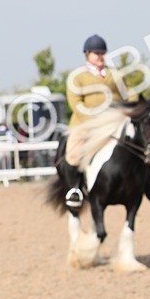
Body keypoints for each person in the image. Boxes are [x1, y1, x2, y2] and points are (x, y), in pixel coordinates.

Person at [61, 35, 124, 206]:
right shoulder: (77, 77)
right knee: (73, 152)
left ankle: (146, 183)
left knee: (138, 141)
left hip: (113, 123)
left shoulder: (114, 74)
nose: (100, 56)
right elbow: (75, 103)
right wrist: (93, 121)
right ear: (87, 54)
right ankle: (74, 189)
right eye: (96, 53)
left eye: (102, 53)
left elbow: (128, 92)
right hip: (85, 124)